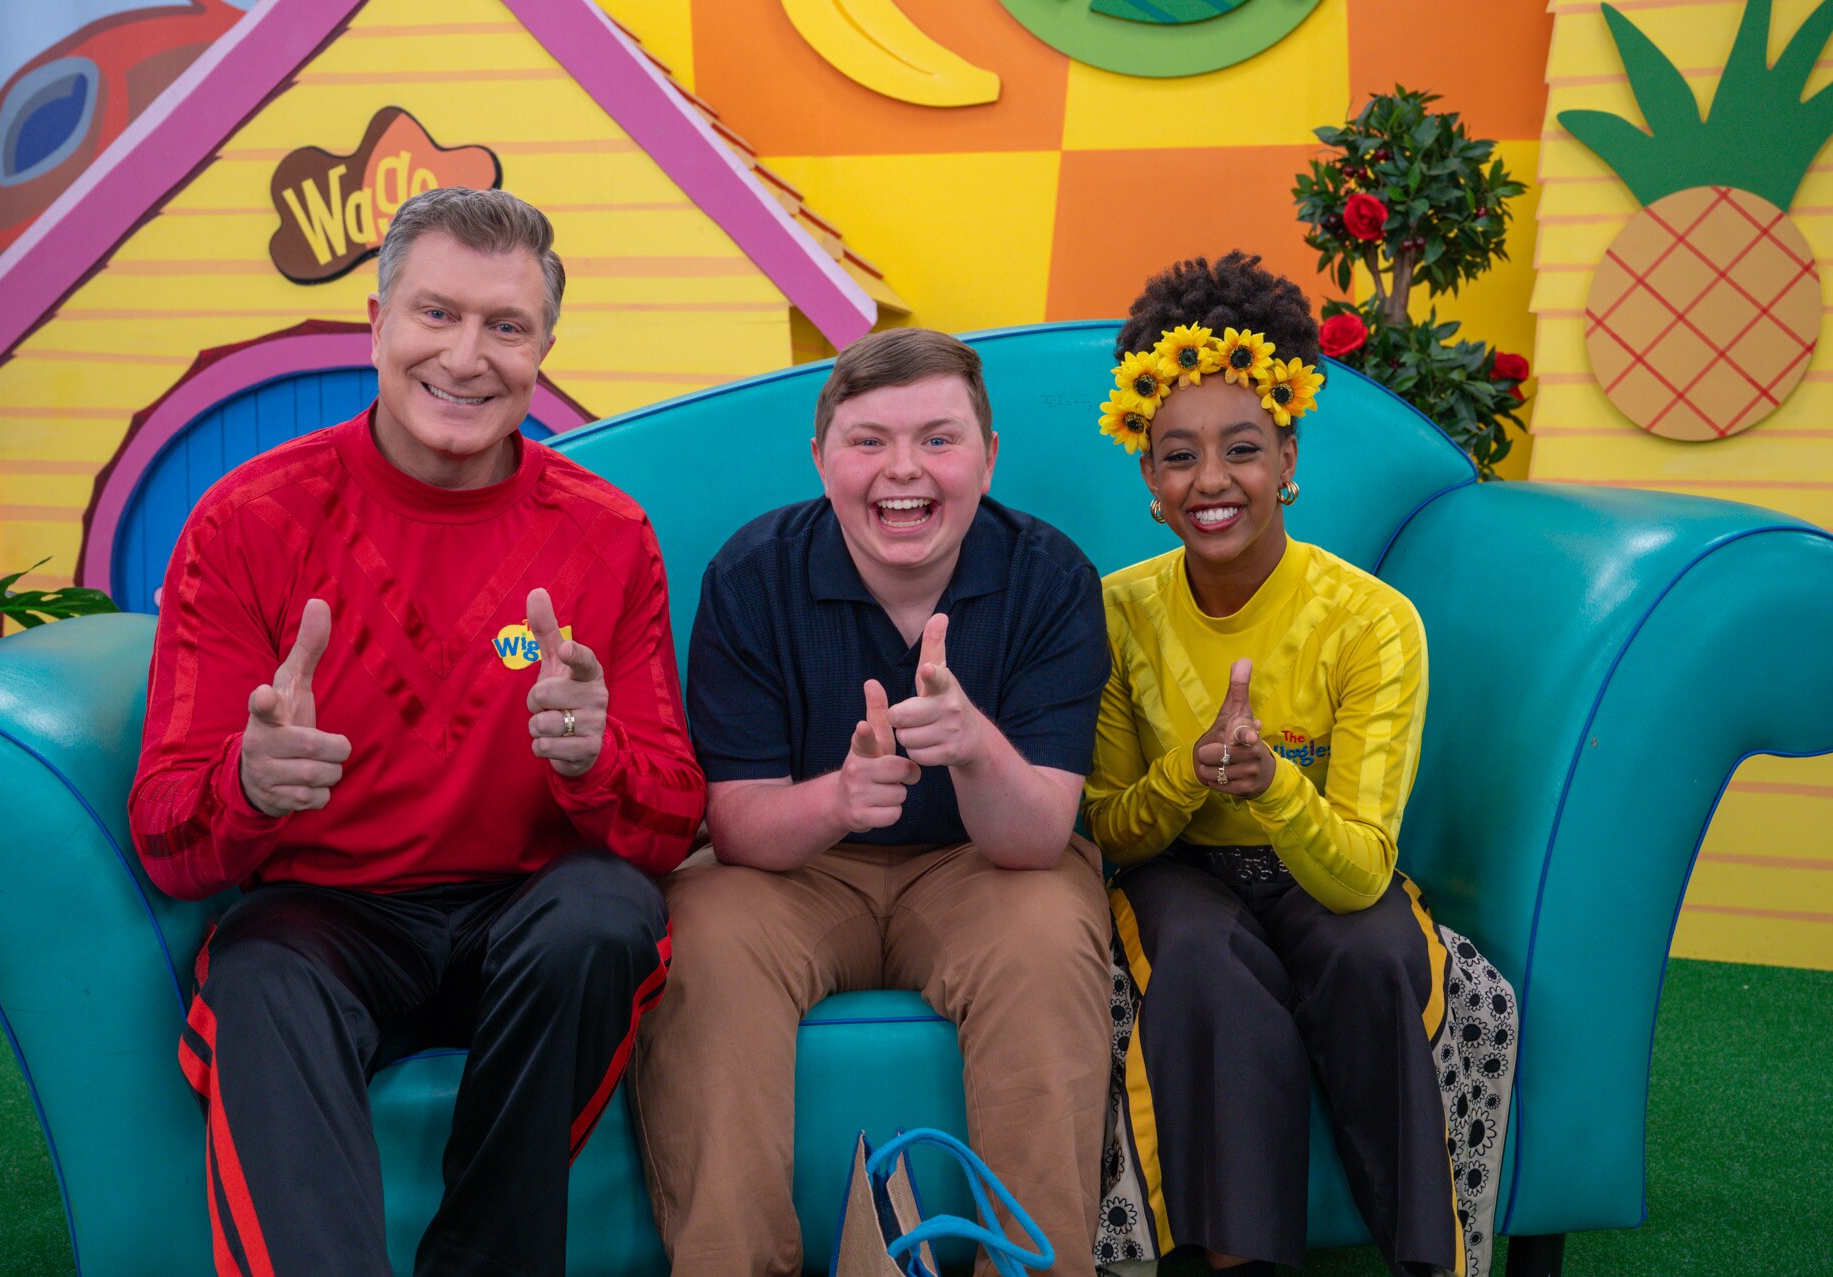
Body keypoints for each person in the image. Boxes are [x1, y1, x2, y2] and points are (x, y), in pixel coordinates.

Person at [127, 187, 706, 1277]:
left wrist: (595, 761)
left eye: (506, 326)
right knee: (256, 971)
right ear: (380, 322)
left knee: (609, 912)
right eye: (436, 314)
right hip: (329, 913)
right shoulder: (248, 519)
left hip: (524, 913)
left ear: (544, 350)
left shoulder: (609, 532)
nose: (467, 356)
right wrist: (250, 781)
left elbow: (672, 816)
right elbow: (165, 832)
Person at [631, 328, 1114, 1276]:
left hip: (982, 868)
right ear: (821, 460)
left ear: (988, 456)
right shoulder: (752, 574)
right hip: (796, 874)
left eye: (938, 439)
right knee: (703, 934)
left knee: (1051, 929)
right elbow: (734, 825)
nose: (905, 471)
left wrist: (974, 748)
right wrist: (841, 799)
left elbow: (1038, 837)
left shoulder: (1052, 578)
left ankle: (1035, 1268)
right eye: (868, 442)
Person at [1086, 253, 1512, 1277]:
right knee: (1199, 961)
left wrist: (1273, 782)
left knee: (1374, 956)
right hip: (1180, 873)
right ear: (1148, 475)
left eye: (1242, 448)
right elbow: (1107, 832)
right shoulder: (1120, 609)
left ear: (1288, 455)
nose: (1212, 481)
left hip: (1320, 864)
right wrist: (1193, 773)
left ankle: (1428, 1260)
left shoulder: (1370, 621)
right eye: (1178, 455)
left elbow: (1361, 871)